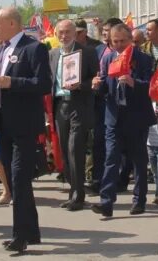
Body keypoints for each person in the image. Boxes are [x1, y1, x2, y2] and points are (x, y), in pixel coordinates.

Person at [0, 8, 51, 253]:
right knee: (16, 182)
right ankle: (31, 232)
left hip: (24, 126)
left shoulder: (34, 49)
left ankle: (20, 236)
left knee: (20, 180)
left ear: (12, 23)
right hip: (1, 125)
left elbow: (43, 83)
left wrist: (13, 82)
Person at [91, 24, 155, 219]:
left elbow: (153, 86)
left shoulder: (143, 59)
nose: (118, 45)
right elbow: (104, 87)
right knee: (111, 159)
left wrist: (134, 82)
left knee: (138, 160)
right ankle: (106, 201)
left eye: (122, 41)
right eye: (114, 42)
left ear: (130, 40)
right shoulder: (109, 58)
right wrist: (97, 85)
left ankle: (139, 199)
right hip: (114, 117)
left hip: (136, 117)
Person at [49, 20, 98, 211]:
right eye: (60, 32)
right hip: (60, 105)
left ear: (75, 33)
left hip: (79, 104)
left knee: (74, 148)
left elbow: (95, 80)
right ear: (55, 33)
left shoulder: (87, 52)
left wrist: (81, 85)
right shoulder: (52, 54)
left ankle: (78, 196)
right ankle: (73, 190)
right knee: (64, 150)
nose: (64, 36)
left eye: (68, 32)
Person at [87, 17, 124, 194]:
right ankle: (98, 179)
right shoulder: (98, 50)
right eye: (103, 31)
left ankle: (120, 178)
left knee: (119, 146)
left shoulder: (126, 52)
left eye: (108, 31)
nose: (105, 34)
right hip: (99, 103)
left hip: (119, 105)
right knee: (99, 143)